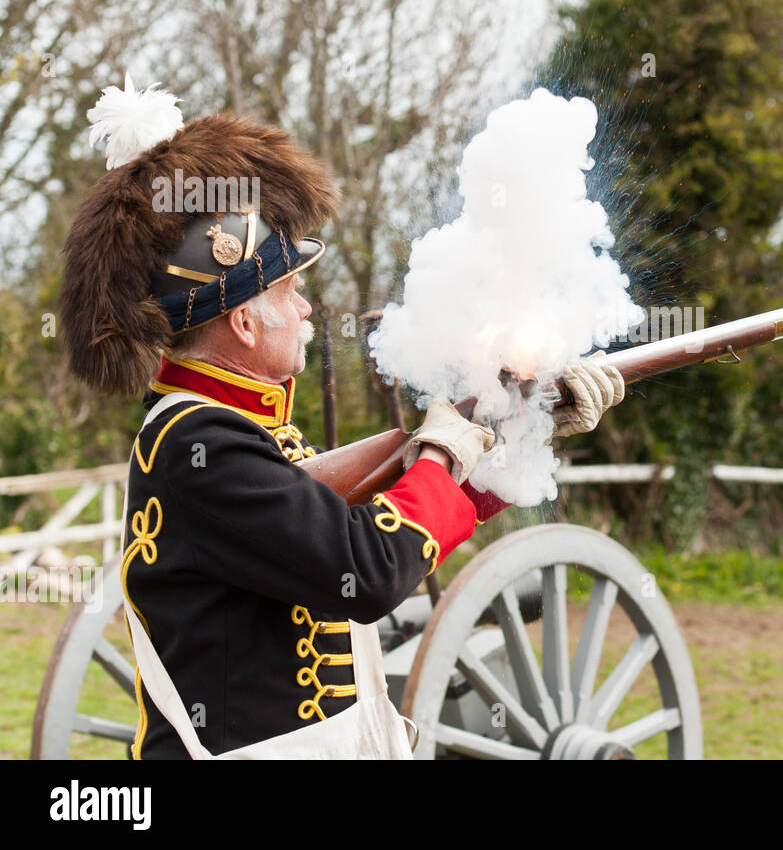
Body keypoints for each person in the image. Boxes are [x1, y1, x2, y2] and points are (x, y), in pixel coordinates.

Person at [59, 77, 624, 759]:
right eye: (289, 291)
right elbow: (371, 564)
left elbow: (386, 517)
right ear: (242, 319)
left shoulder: (235, 432)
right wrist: (443, 450)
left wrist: (516, 429)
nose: (304, 309)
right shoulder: (198, 443)